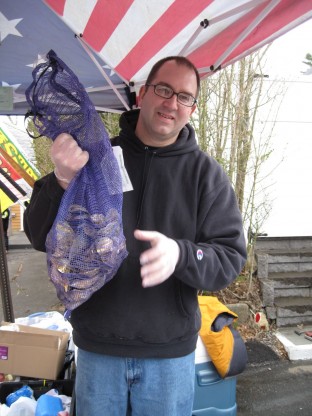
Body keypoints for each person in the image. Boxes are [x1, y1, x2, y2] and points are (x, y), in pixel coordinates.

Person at [24, 56, 247, 416]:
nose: (172, 103)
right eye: (163, 89)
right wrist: (62, 179)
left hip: (169, 356)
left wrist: (181, 256)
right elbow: (38, 234)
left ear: (192, 108)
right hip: (99, 349)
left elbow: (230, 258)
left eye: (184, 96)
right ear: (143, 94)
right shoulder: (95, 158)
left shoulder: (207, 175)